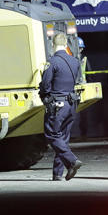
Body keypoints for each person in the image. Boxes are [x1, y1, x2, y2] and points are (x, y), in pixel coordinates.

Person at [39, 32, 84, 181]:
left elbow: (45, 85)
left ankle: (72, 161)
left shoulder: (52, 62)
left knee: (52, 134)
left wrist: (44, 95)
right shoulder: (75, 62)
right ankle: (57, 174)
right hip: (71, 104)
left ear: (53, 45)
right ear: (66, 45)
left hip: (57, 105)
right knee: (62, 138)